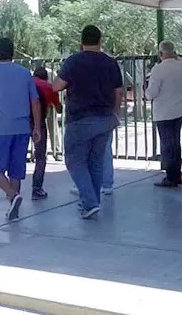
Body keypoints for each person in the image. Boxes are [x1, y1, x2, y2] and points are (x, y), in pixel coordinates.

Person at [54, 25, 123, 219]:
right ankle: (92, 203)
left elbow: (57, 86)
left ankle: (90, 202)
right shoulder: (110, 63)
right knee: (96, 161)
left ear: (81, 41)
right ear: (100, 41)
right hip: (105, 118)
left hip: (80, 119)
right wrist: (115, 113)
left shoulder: (73, 61)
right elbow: (119, 92)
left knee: (75, 161)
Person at [0, 38, 42, 220]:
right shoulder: (24, 73)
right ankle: (14, 205)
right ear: (13, 52)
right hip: (22, 127)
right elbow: (35, 101)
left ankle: (13, 196)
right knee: (16, 169)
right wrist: (36, 126)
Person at [145, 40, 182, 188]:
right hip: (179, 109)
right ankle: (177, 174)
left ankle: (171, 177)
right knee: (176, 143)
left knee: (167, 145)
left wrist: (145, 91)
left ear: (160, 53)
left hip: (163, 112)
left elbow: (151, 93)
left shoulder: (158, 69)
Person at [31, 66, 63, 200]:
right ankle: (37, 189)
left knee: (17, 154)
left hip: (20, 121)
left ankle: (13, 190)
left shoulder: (25, 84)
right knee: (40, 157)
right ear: (46, 77)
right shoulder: (48, 87)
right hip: (38, 123)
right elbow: (59, 108)